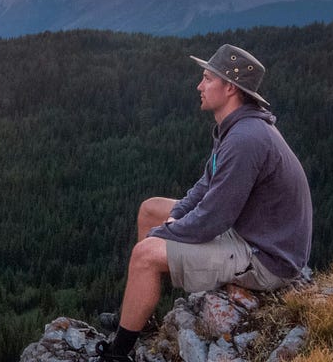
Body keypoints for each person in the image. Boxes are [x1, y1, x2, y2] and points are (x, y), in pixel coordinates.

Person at [96, 44, 313, 361]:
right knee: (149, 209)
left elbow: (215, 218)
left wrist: (170, 232)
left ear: (229, 87)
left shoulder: (245, 139)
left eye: (207, 78)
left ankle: (118, 354)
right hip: (254, 235)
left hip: (266, 257)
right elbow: (205, 185)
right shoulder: (236, 128)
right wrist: (173, 219)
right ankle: (139, 316)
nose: (199, 86)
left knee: (144, 255)